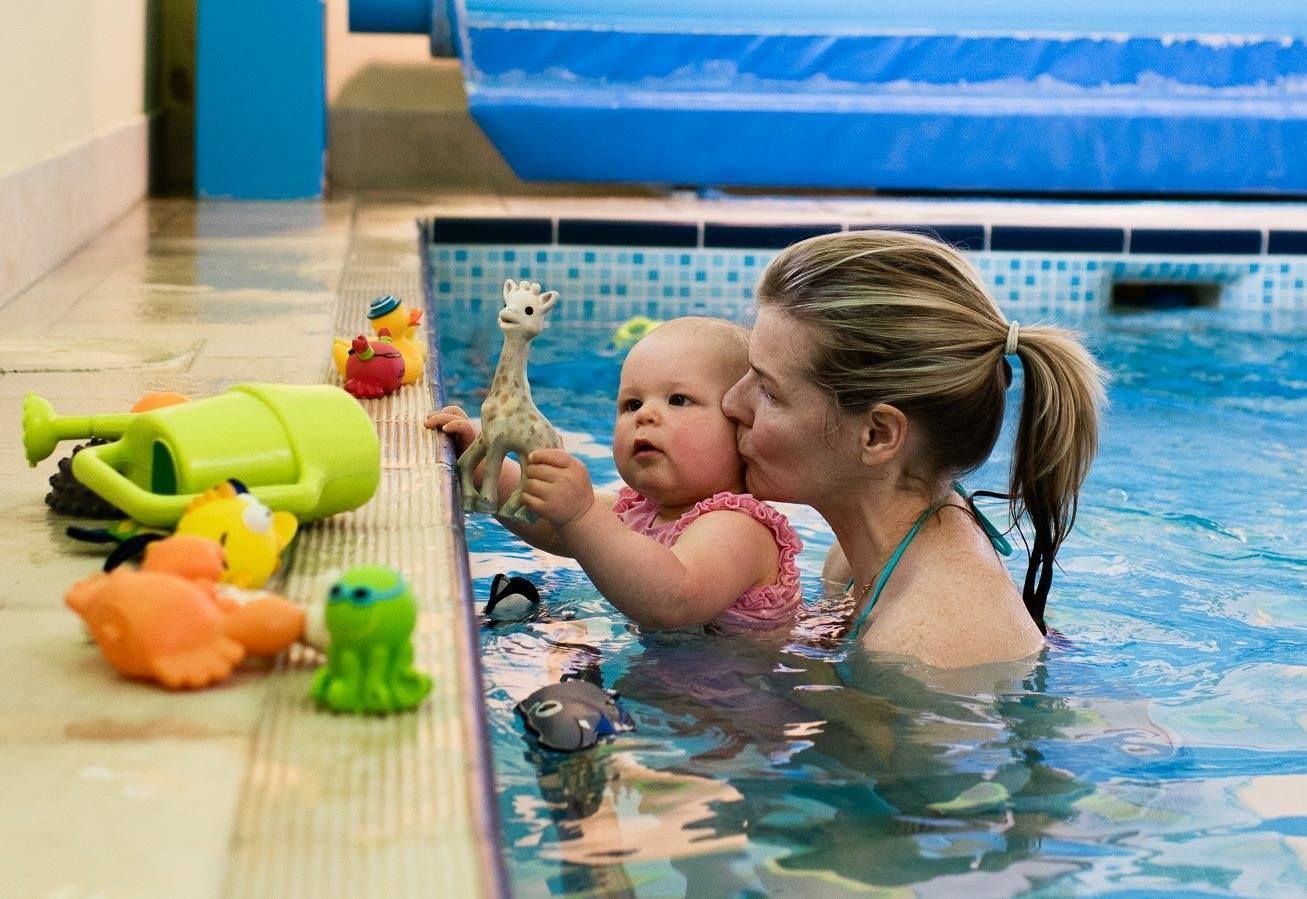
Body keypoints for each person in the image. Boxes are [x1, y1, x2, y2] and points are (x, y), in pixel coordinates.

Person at [721, 229, 1106, 668]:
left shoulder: (922, 646)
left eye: (769, 392)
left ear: (878, 435)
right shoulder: (858, 559)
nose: (731, 402)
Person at [426, 316, 802, 633]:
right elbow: (559, 528)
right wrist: (480, 467)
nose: (645, 415)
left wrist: (581, 514)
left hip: (741, 693)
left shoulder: (740, 527)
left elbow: (674, 599)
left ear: (742, 425)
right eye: (632, 404)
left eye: (678, 400)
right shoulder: (641, 510)